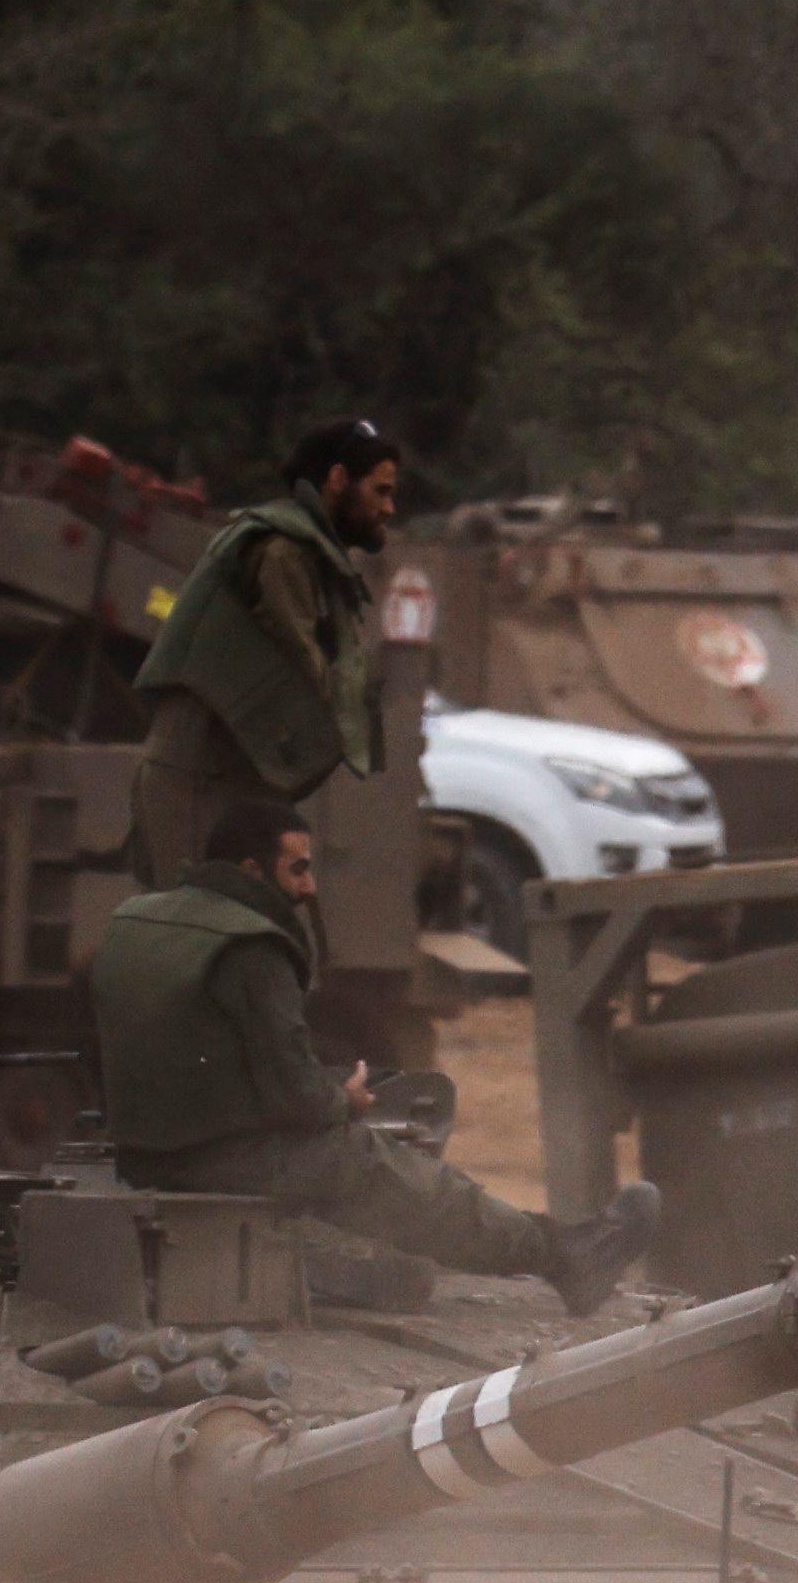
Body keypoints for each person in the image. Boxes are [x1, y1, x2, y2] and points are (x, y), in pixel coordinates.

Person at [86, 812, 657, 1296]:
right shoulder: (252, 947)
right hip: (220, 1158)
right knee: (395, 1174)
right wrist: (346, 1101)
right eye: (298, 869)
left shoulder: (136, 918)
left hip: (143, 1154)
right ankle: (569, 1259)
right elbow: (299, 1098)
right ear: (252, 872)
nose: (309, 888)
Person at [133, 418, 404, 883]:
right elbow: (307, 666)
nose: (389, 508)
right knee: (202, 915)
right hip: (199, 777)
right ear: (338, 479)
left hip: (237, 776)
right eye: (379, 491)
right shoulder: (284, 550)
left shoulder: (309, 552)